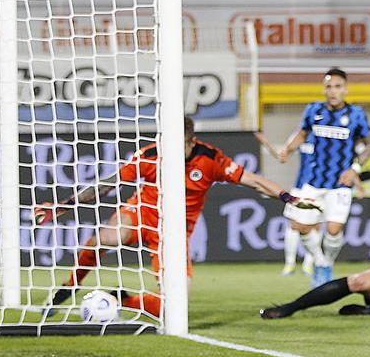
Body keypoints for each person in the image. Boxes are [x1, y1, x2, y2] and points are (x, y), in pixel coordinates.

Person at [34, 116, 320, 317]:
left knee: (174, 307)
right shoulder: (151, 154)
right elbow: (109, 184)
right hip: (141, 213)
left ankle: (122, 299)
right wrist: (66, 204)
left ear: (191, 142)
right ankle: (69, 287)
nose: (169, 150)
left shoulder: (210, 159)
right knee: (107, 238)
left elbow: (253, 180)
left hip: (173, 233)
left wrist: (289, 198)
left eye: (177, 145)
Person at [278, 68, 370, 288]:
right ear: (324, 89)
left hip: (340, 183)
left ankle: (327, 263)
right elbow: (302, 133)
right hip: (313, 180)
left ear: (345, 89)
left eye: (338, 87)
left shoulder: (356, 114)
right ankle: (320, 262)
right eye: (329, 87)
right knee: (300, 226)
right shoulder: (313, 110)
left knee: (333, 230)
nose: (333, 91)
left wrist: (355, 169)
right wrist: (288, 149)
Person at [281, 135, 316, 276]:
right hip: (300, 186)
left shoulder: (329, 132)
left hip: (320, 188)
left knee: (315, 225)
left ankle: (309, 264)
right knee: (293, 224)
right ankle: (289, 264)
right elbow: (284, 153)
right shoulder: (300, 135)